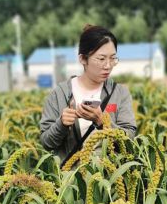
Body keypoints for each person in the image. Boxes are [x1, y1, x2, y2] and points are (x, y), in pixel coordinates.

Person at [40, 25, 136, 164]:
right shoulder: (59, 94)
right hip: (70, 181)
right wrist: (61, 124)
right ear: (83, 59)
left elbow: (130, 140)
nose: (108, 65)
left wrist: (101, 121)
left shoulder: (120, 93)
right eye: (101, 59)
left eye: (113, 58)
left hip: (109, 181)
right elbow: (47, 143)